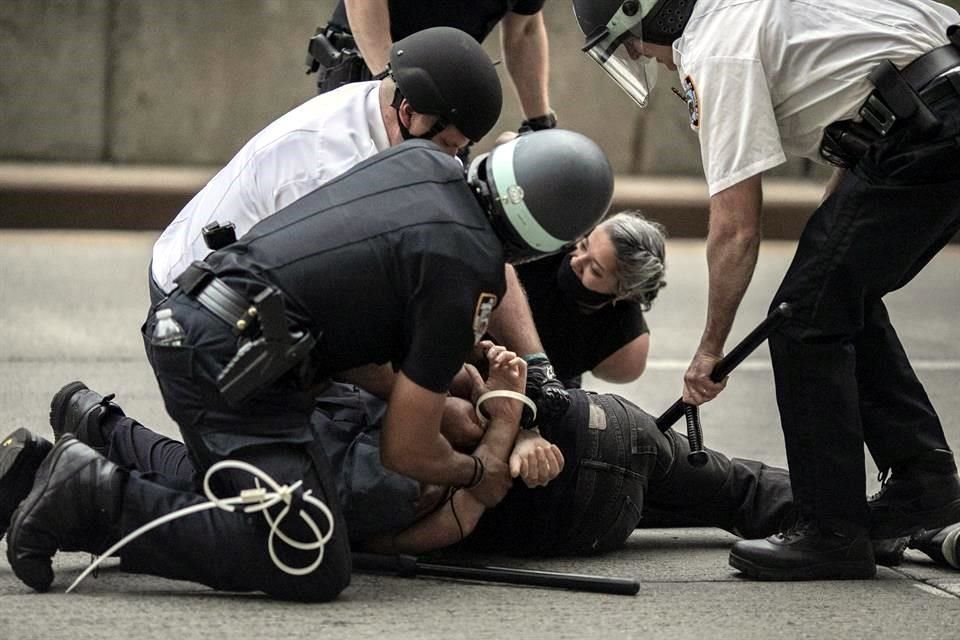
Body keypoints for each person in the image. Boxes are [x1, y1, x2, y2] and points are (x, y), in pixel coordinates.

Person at [2, 130, 615, 599]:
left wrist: (451, 387)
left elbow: (369, 324)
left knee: (259, 488)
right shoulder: (465, 271)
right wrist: (476, 465)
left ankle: (73, 454)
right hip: (231, 360)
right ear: (544, 241)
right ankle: (90, 499)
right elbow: (408, 451)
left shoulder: (423, 162)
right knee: (308, 554)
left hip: (206, 320)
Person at [573, 0, 960, 579]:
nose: (638, 55)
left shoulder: (714, 48)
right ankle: (923, 483)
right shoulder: (757, 9)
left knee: (803, 322)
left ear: (645, 14)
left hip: (925, 129)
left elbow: (734, 228)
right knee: (833, 296)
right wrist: (829, 243)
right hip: (931, 114)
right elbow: (876, 95)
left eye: (628, 42)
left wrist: (710, 349)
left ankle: (830, 531)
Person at [151, 26, 502, 298]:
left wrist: (530, 361)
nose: (451, 162)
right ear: (410, 114)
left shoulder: (380, 105)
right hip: (188, 303)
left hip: (251, 276)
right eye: (446, 145)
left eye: (459, 149)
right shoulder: (328, 167)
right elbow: (330, 303)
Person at [306, 1, 556, 134]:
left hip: (442, 101)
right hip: (369, 78)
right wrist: (391, 79)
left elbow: (525, 30)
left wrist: (540, 123)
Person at [507, 210, 667, 387]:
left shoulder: (625, 348)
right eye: (583, 245)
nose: (576, 261)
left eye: (595, 270)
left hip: (540, 386)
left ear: (625, 293)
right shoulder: (547, 238)